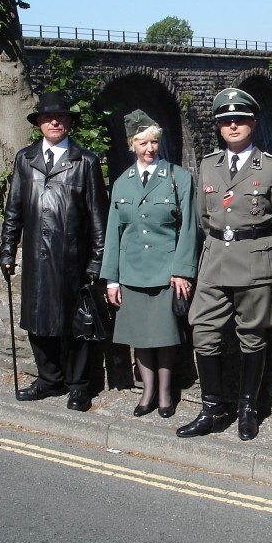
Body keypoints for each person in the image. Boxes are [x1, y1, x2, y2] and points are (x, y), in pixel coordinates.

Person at [177, 87, 272, 441]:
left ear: (253, 124)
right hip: (214, 262)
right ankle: (211, 408)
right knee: (203, 330)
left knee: (252, 335)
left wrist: (269, 254)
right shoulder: (208, 165)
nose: (233, 125)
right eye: (226, 121)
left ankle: (248, 408)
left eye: (240, 120)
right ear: (219, 127)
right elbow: (204, 218)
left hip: (255, 262)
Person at [0, 90, 109, 412]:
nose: (55, 122)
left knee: (76, 326)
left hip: (72, 259)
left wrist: (97, 261)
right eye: (49, 117)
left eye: (60, 117)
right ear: (39, 124)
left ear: (69, 123)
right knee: (37, 322)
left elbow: (98, 218)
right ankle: (49, 379)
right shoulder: (25, 159)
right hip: (36, 257)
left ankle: (78, 386)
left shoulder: (85, 161)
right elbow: (13, 210)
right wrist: (8, 250)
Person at [99, 110, 198, 418]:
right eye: (142, 142)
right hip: (132, 272)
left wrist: (182, 270)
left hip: (166, 272)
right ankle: (147, 391)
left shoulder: (178, 178)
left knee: (165, 335)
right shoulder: (121, 184)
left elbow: (189, 229)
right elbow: (114, 234)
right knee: (140, 337)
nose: (149, 148)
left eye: (154, 142)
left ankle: (167, 393)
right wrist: (111, 279)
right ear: (132, 145)